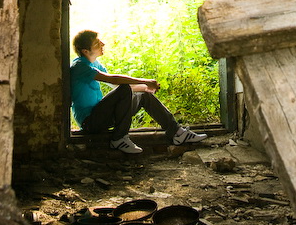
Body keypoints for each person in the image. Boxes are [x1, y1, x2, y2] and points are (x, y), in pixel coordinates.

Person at [70, 29, 208, 154]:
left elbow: (116, 87)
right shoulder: (80, 66)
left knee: (143, 96)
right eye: (97, 43)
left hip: (102, 117)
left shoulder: (95, 64)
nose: (103, 44)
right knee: (124, 87)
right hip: (90, 122)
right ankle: (119, 139)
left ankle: (177, 133)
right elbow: (115, 80)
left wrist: (145, 87)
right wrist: (145, 81)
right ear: (85, 51)